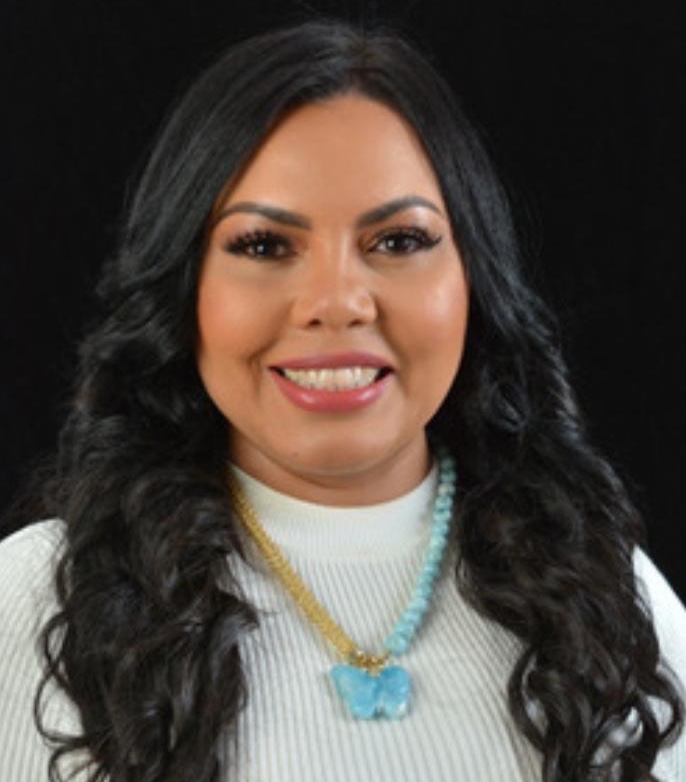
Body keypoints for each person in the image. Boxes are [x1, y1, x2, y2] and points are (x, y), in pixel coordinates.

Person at [0, 18, 684, 782]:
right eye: (264, 245)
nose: (335, 302)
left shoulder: (604, 593)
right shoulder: (37, 603)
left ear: (473, 278)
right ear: (184, 290)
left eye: (398, 241)